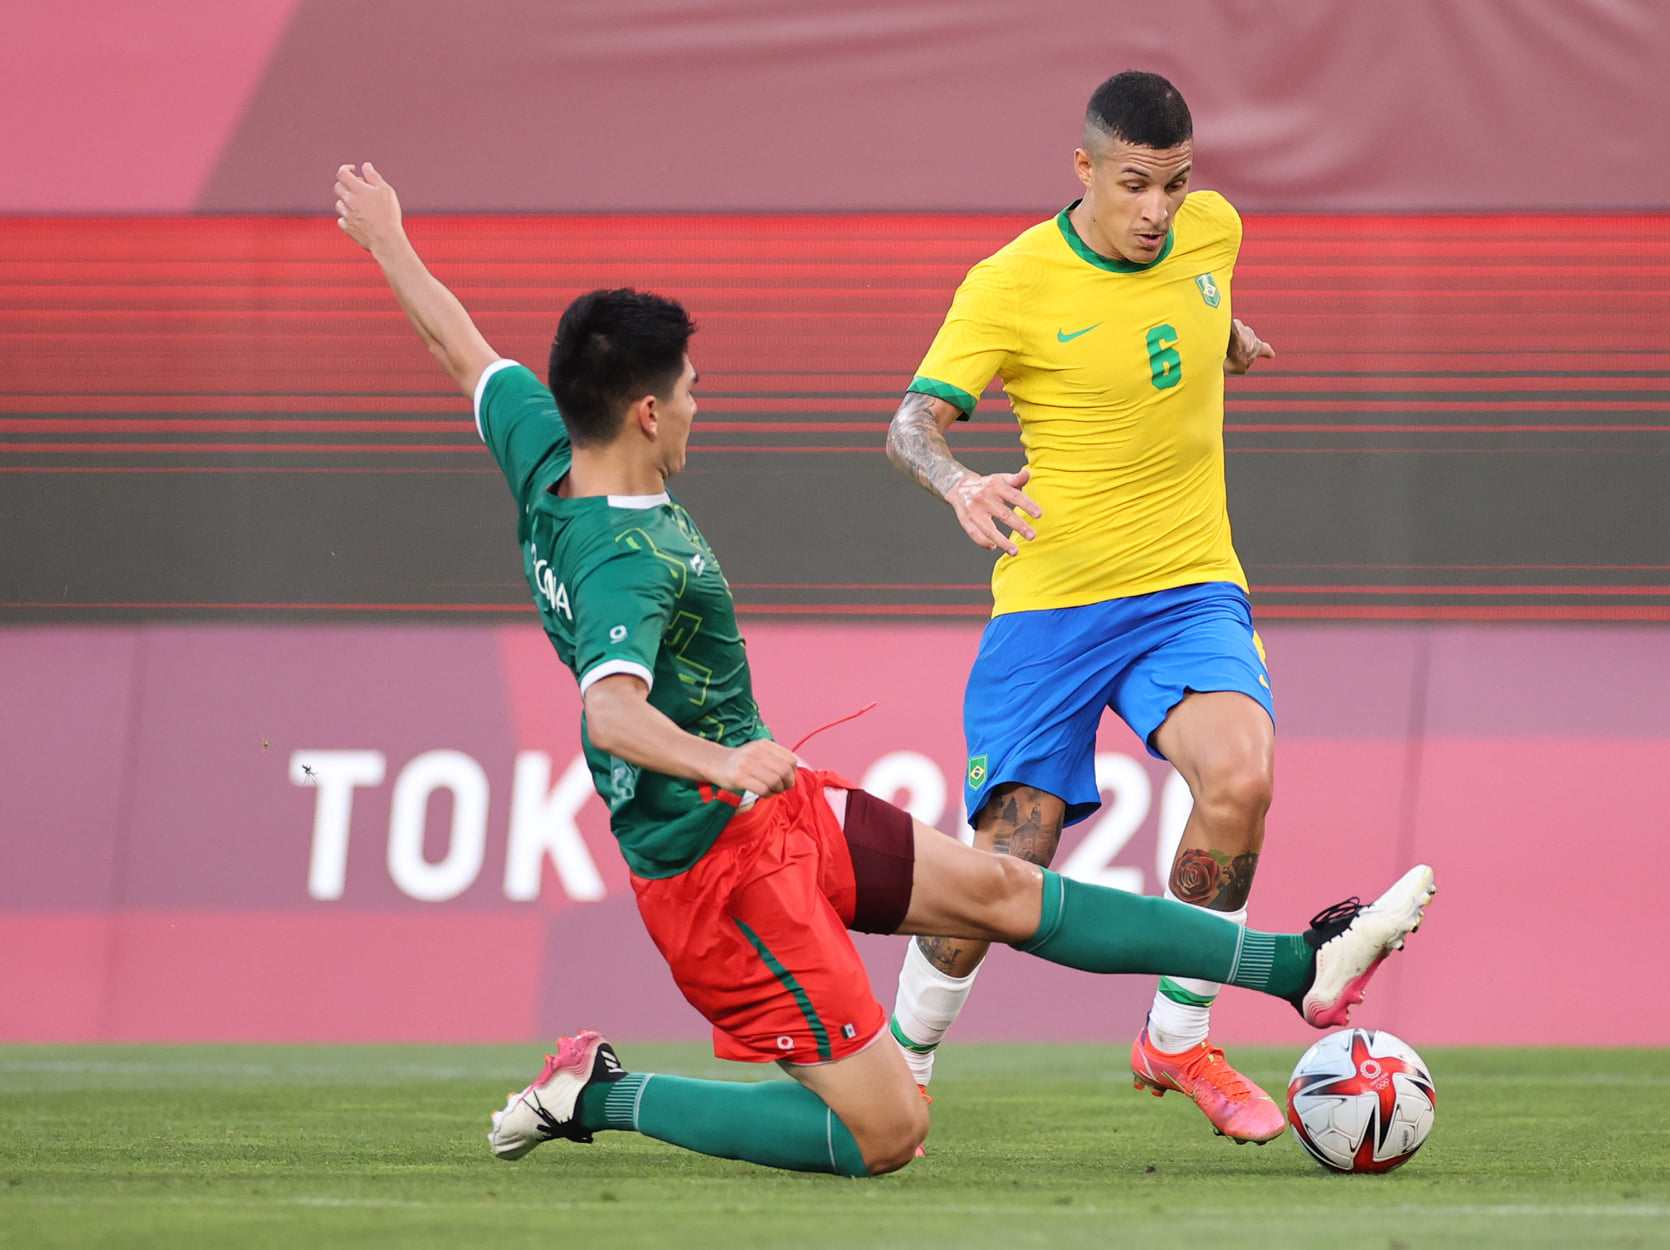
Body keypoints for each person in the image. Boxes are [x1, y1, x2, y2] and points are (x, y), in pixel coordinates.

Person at [334, 160, 1434, 1178]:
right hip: (717, 873)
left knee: (1007, 888)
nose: (701, 407)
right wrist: (723, 759)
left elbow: (462, 350)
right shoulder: (625, 555)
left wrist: (389, 245)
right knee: (888, 1131)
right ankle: (599, 1094)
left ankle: (1304, 961)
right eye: (694, 389)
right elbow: (613, 711)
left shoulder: (544, 446)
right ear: (648, 411)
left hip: (780, 815)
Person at [883, 71, 1302, 1144]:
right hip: (1054, 602)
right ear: (1083, 170)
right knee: (1006, 863)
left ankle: (1178, 1035)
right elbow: (911, 425)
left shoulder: (1213, 233)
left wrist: (1228, 336)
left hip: (1186, 588)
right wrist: (962, 482)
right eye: (1133, 185)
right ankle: (902, 1061)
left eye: (1174, 184)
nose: (1157, 210)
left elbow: (1176, 313)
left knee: (1241, 776)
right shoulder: (1010, 281)